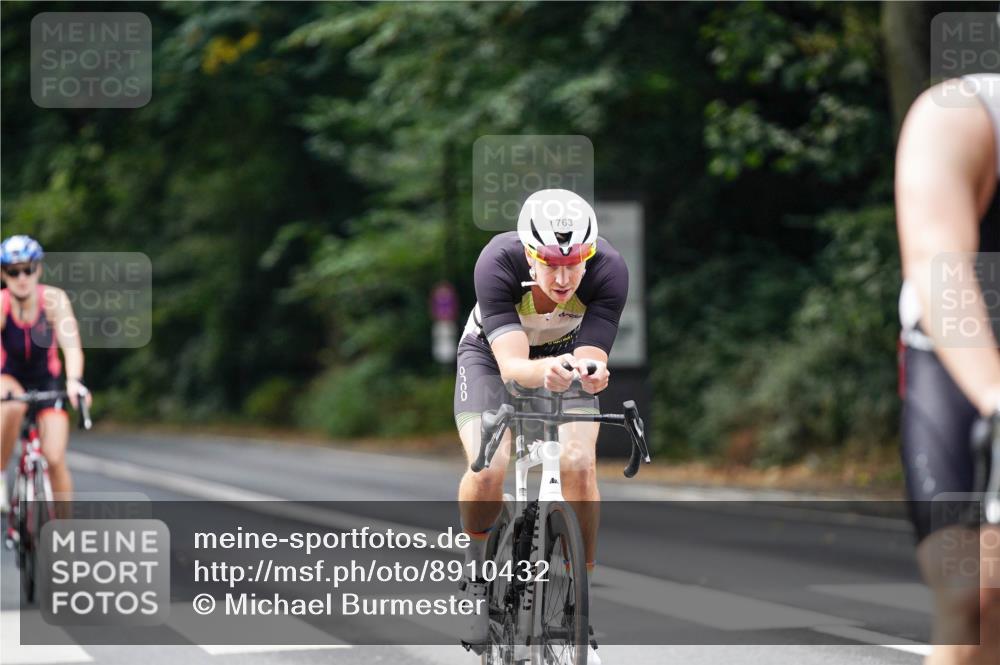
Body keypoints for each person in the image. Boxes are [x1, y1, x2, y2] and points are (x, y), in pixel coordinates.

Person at [454, 188, 628, 664]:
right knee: (488, 467)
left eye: (574, 263)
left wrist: (593, 373)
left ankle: (577, 607)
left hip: (565, 361)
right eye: (550, 263)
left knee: (578, 464)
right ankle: (475, 580)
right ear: (530, 256)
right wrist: (543, 371)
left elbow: (591, 358)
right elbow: (512, 367)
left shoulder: (609, 270)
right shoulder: (497, 261)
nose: (564, 275)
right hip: (490, 359)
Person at [896, 73, 1000, 664]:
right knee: (973, 596)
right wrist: (993, 394)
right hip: (957, 361)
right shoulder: (959, 116)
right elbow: (940, 268)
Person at [1, 235, 90, 515]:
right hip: (8, 378)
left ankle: (65, 532)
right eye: (14, 272)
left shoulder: (53, 300)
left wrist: (75, 381)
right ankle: (0, 473)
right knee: (12, 403)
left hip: (47, 381)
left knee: (54, 457)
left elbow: (72, 346)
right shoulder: (1, 304)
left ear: (38, 269)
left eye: (28, 269)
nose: (22, 277)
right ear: (4, 274)